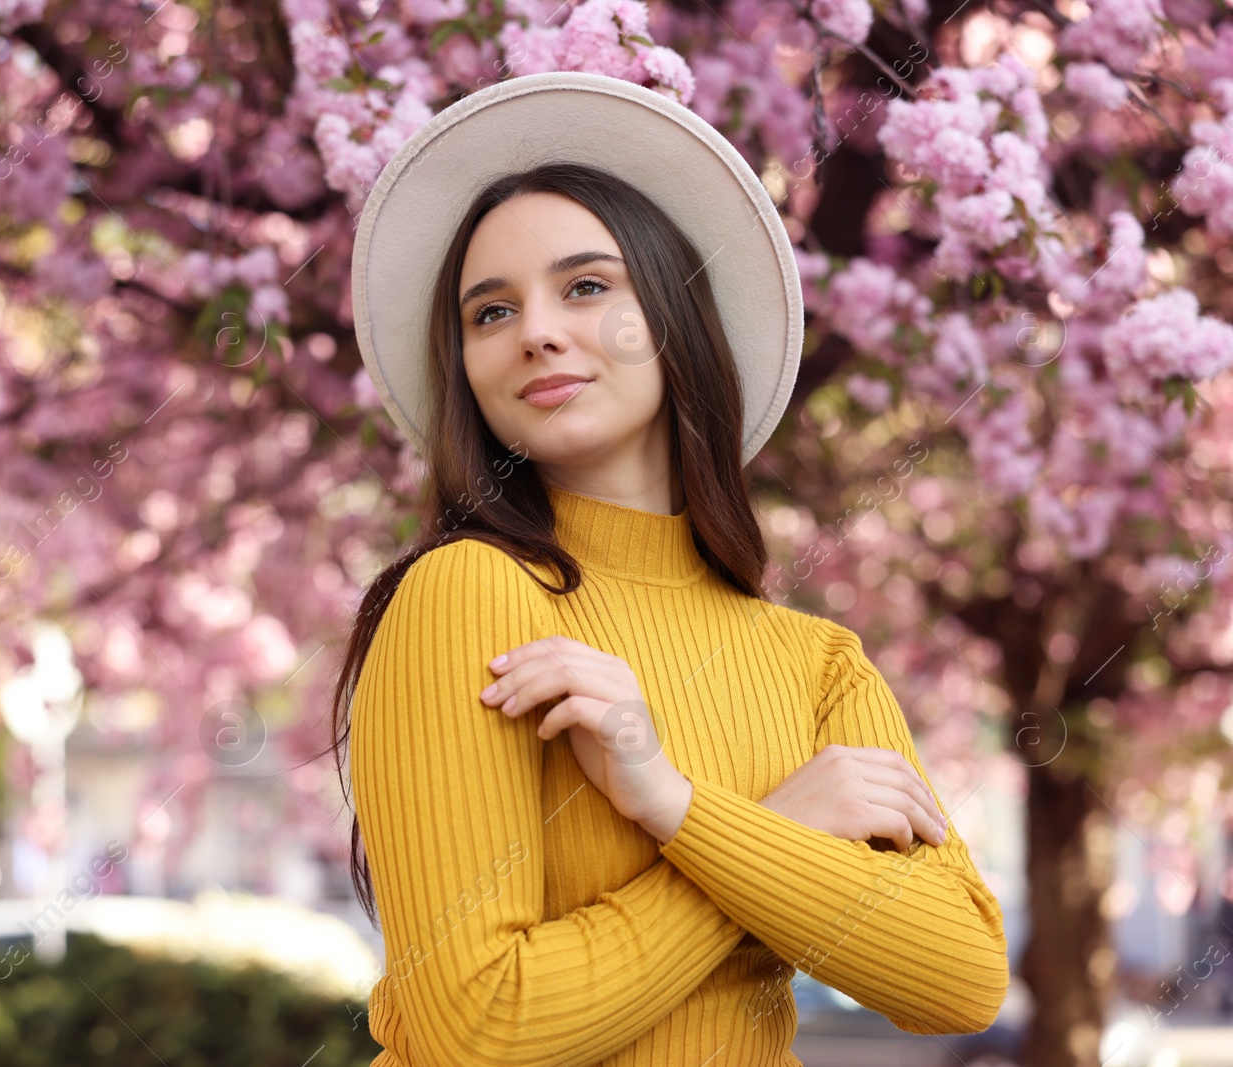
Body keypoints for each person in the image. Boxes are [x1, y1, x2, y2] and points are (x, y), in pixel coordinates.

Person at [324, 72, 1010, 1067]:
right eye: (489, 313)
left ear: (676, 318)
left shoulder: (813, 663)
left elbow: (957, 975)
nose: (537, 332)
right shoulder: (469, 594)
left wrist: (675, 805)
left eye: (587, 287)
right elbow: (476, 1024)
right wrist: (757, 828)